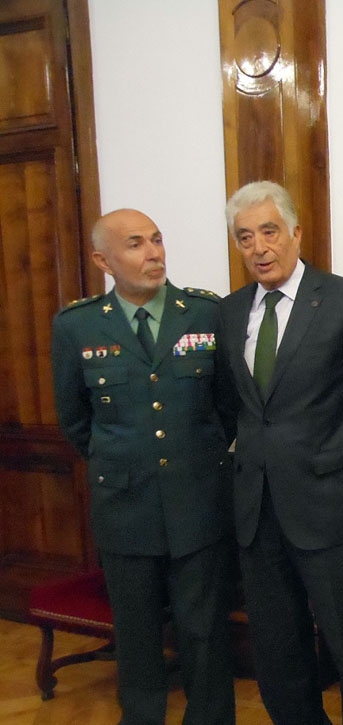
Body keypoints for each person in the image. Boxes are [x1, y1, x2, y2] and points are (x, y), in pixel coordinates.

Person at [51, 208, 235, 724]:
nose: (153, 253)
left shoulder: (202, 313)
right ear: (102, 260)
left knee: (205, 633)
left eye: (156, 240)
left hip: (198, 504)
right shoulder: (77, 325)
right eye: (135, 244)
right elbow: (75, 422)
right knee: (135, 638)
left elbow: (227, 408)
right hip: (125, 509)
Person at [216, 181, 343, 724]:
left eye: (269, 232)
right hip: (256, 511)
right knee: (277, 650)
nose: (258, 248)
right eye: (244, 238)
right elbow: (228, 405)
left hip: (327, 505)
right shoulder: (230, 312)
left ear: (296, 233)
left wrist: (334, 458)